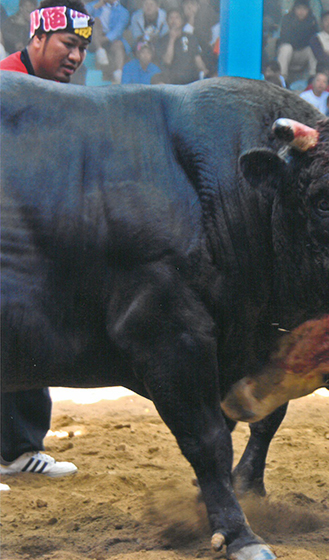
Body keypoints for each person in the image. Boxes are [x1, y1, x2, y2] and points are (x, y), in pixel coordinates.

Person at [0, 0, 96, 479]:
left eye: (82, 49)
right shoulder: (5, 83)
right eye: (68, 44)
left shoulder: (54, 93)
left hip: (24, 242)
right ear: (37, 37)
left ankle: (20, 450)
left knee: (26, 334)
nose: (75, 57)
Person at [155, 8, 207, 84]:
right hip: (172, 82)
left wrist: (203, 69)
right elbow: (167, 61)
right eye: (171, 18)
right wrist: (172, 39)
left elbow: (197, 58)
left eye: (177, 17)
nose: (174, 21)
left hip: (191, 80)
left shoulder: (191, 38)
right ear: (167, 21)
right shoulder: (162, 40)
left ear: (182, 21)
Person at [86, 0, 129, 84]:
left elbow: (118, 30)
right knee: (95, 21)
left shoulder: (123, 11)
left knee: (119, 45)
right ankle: (100, 50)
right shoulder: (94, 5)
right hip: (94, 38)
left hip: (110, 40)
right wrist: (95, 7)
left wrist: (105, 38)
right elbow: (82, 15)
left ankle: (118, 73)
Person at [276, 0, 318, 82]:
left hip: (302, 54)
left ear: (308, 10)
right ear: (294, 9)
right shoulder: (287, 19)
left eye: (304, 9)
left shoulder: (312, 20)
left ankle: (313, 79)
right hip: (288, 54)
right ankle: (282, 80)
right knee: (286, 48)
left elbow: (314, 40)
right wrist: (303, 37)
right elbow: (286, 39)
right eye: (299, 8)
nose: (301, 11)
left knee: (313, 49)